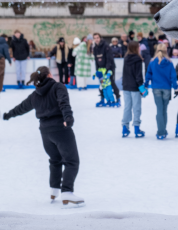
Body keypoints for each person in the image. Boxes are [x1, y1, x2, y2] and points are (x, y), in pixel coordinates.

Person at [2, 66, 84, 207]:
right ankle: (67, 191)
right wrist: (68, 118)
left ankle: (54, 190)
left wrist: (8, 115)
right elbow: (63, 102)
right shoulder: (58, 87)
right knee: (72, 161)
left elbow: (21, 108)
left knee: (55, 160)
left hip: (45, 132)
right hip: (61, 129)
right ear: (50, 75)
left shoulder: (35, 94)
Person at [145, 44, 178, 140]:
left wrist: (146, 85)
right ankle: (163, 130)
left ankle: (161, 132)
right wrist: (175, 88)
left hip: (156, 88)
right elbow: (173, 77)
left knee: (159, 110)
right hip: (166, 88)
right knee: (164, 110)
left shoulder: (152, 62)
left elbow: (148, 74)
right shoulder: (169, 62)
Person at [122, 41, 148, 138]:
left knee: (127, 107)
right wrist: (141, 87)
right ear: (136, 48)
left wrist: (124, 84)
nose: (140, 48)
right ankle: (137, 128)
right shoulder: (138, 59)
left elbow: (124, 74)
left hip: (126, 87)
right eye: (138, 47)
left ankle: (125, 127)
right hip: (135, 88)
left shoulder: (126, 58)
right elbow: (138, 75)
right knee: (136, 108)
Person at [93, 33, 121, 107]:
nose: (96, 39)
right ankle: (102, 99)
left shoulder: (106, 46)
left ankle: (118, 98)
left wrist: (108, 69)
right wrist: (97, 70)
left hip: (109, 68)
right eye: (95, 38)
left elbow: (109, 58)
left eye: (97, 38)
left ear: (100, 38)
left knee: (111, 82)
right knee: (102, 84)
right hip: (101, 69)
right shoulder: (95, 48)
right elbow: (96, 60)